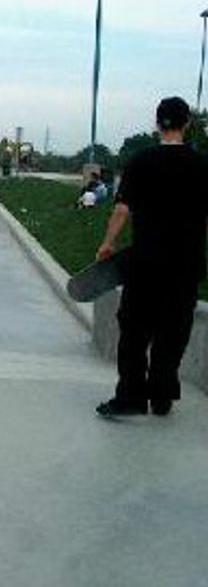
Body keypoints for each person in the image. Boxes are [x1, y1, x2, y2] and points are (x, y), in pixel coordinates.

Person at [95, 96, 208, 417]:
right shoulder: (202, 165)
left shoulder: (141, 161)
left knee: (134, 330)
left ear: (157, 124)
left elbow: (121, 209)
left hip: (145, 262)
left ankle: (131, 396)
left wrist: (107, 244)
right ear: (187, 123)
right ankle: (162, 395)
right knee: (174, 330)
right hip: (185, 264)